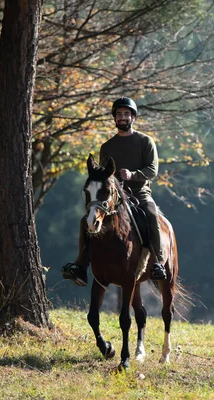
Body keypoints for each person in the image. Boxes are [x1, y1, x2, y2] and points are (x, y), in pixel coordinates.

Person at [61, 97, 167, 286]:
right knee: (86, 220)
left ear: (133, 118)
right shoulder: (107, 147)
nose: (123, 118)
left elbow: (153, 170)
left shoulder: (145, 141)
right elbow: (103, 176)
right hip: (113, 199)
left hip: (139, 194)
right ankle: (81, 266)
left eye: (126, 114)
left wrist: (133, 174)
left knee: (151, 215)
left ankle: (157, 263)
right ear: (115, 118)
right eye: (119, 115)